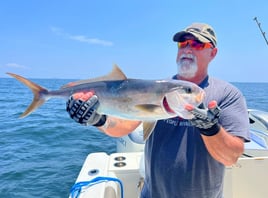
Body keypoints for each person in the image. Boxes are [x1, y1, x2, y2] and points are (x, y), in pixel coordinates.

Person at [66, 23, 250, 198]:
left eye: (197, 44)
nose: (187, 49)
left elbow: (231, 157)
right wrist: (98, 119)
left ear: (213, 53)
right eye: (182, 44)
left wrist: (210, 129)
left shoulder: (228, 94)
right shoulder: (155, 89)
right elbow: (123, 126)